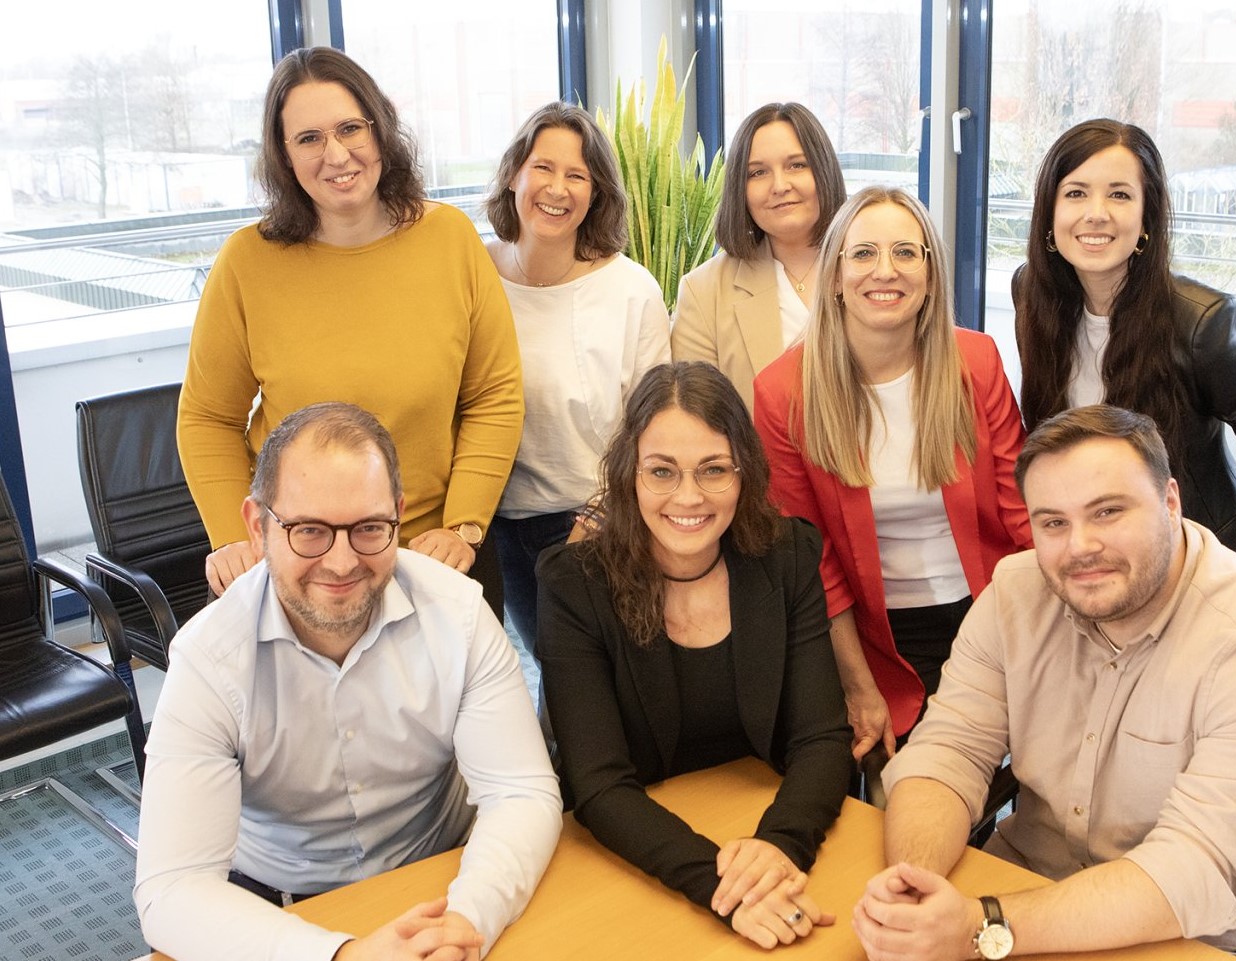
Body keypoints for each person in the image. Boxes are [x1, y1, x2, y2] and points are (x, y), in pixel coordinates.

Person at [853, 404, 1236, 960]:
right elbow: (948, 752)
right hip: (1026, 897)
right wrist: (912, 884)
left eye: (1107, 512)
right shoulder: (1014, 592)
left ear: (1171, 502)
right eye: (1053, 522)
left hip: (1200, 935)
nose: (1079, 546)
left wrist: (976, 925)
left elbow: (1190, 870)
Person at [135, 403, 560, 961]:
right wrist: (344, 957)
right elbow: (172, 888)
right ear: (257, 525)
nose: (341, 562)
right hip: (278, 914)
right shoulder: (208, 659)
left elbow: (521, 792)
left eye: (368, 529)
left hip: (443, 878)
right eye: (309, 530)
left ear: (399, 517)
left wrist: (462, 925)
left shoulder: (457, 612)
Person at [1013, 117, 1236, 661]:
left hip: (1208, 567)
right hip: (1104, 567)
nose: (1096, 213)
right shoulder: (1032, 296)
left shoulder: (1203, 322)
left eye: (1119, 194)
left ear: (1146, 221)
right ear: (1050, 214)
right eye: (1076, 193)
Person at [178, 47, 522, 610]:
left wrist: (464, 526)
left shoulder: (451, 239)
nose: (336, 153)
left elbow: (495, 396)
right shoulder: (246, 263)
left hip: (438, 559)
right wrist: (237, 536)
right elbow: (207, 419)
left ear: (380, 131)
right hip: (307, 570)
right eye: (308, 138)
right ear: (284, 157)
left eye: (349, 128)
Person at [536, 361, 853, 950]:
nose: (689, 497)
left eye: (714, 470)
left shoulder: (786, 557)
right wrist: (721, 885)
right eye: (662, 471)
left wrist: (778, 849)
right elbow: (598, 784)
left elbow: (822, 740)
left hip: (754, 822)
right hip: (636, 855)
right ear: (630, 473)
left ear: (745, 472)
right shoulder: (575, 583)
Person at [754, 187, 1032, 762]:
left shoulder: (976, 364)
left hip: (991, 615)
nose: (887, 271)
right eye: (864, 254)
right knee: (899, 790)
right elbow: (813, 560)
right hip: (869, 641)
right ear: (833, 275)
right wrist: (859, 686)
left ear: (930, 275)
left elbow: (1021, 515)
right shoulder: (783, 393)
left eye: (907, 253)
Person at [484, 100, 669, 654]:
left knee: (598, 675)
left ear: (597, 193)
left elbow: (655, 424)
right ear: (515, 173)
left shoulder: (631, 289)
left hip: (598, 520)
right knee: (545, 669)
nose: (557, 188)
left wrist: (603, 513)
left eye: (577, 175)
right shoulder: (473, 273)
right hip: (496, 525)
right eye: (543, 167)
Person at [673, 102, 846, 409]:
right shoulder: (704, 292)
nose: (780, 186)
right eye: (758, 172)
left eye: (797, 165)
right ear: (741, 189)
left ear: (824, 170)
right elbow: (701, 423)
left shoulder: (876, 269)